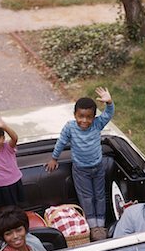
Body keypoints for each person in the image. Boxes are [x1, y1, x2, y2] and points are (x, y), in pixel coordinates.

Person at [46, 87, 115, 241]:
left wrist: (109, 102)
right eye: (81, 116)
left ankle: (100, 225)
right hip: (81, 170)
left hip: (98, 167)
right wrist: (54, 158)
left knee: (100, 196)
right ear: (75, 115)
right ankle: (92, 227)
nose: (84, 121)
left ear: (94, 117)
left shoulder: (97, 124)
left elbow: (109, 114)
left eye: (89, 117)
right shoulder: (70, 127)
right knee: (87, 197)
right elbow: (61, 142)